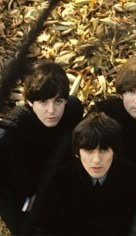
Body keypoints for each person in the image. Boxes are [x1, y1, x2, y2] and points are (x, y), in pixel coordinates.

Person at [27, 112, 136, 236]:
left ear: (114, 151)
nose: (96, 160)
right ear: (77, 152)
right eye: (89, 150)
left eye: (104, 150)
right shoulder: (57, 182)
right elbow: (42, 228)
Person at [0, 61, 84, 234]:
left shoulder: (72, 111)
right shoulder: (9, 134)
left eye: (58, 101)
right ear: (30, 102)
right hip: (24, 201)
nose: (51, 110)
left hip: (59, 188)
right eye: (43, 102)